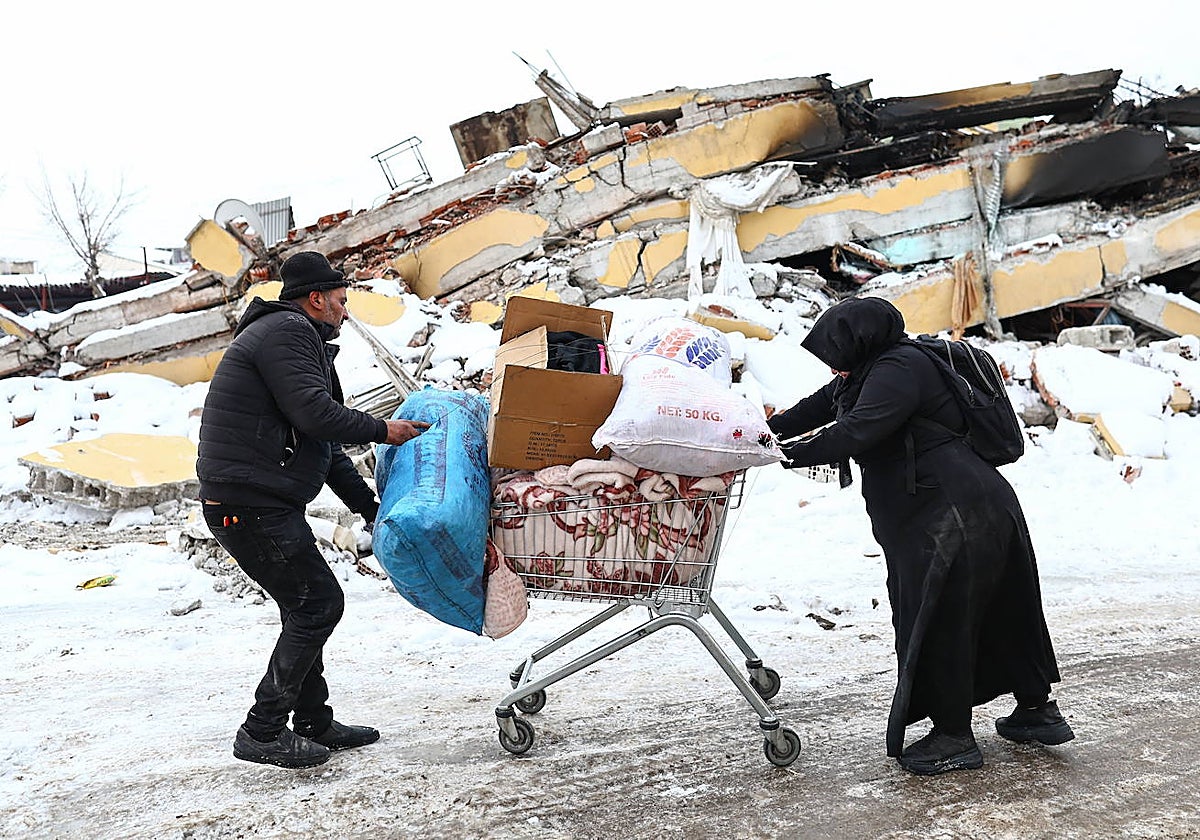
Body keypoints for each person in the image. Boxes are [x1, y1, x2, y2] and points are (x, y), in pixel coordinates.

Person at [767, 297, 1073, 776]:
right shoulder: (868, 371)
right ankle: (1037, 712)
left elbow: (856, 431)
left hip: (950, 514)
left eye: (837, 351)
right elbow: (816, 409)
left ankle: (953, 735)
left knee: (939, 616)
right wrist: (760, 432)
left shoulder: (899, 368)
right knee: (999, 608)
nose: (834, 364)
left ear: (861, 339)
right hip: (963, 506)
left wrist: (783, 455)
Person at [196, 251, 428, 769]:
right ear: (317, 298)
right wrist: (382, 428)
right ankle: (262, 730)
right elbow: (318, 415)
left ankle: (314, 722)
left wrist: (371, 507)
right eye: (342, 301)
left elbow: (322, 445)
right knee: (317, 603)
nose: (346, 312)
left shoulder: (297, 340)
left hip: (257, 500)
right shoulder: (288, 332)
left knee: (304, 604)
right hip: (248, 503)